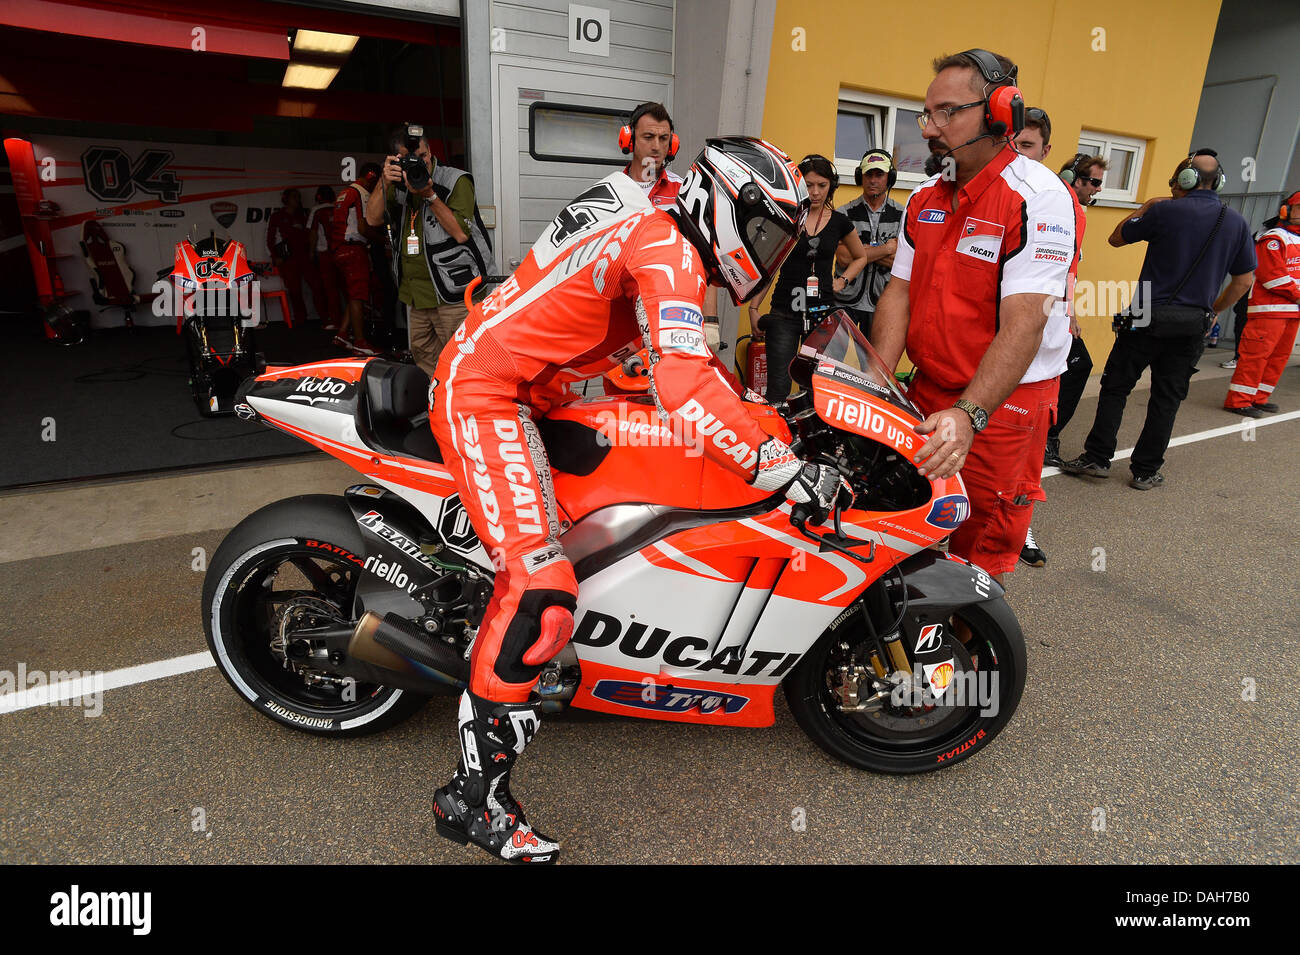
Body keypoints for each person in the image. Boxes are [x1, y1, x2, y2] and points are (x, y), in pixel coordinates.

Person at [427, 137, 846, 864]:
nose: (769, 252)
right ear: (725, 205)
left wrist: (759, 418)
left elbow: (680, 359)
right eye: (766, 234)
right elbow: (682, 386)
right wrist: (782, 469)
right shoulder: (668, 249)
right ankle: (474, 799)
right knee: (543, 589)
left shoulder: (661, 226)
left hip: (534, 388)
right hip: (488, 395)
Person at [872, 49, 1076, 583]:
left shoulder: (1039, 197)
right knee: (910, 521)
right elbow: (899, 292)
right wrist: (874, 380)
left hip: (1002, 407)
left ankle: (968, 655)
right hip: (931, 389)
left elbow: (1025, 323)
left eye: (947, 113)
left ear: (1000, 111)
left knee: (977, 545)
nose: (930, 128)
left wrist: (969, 414)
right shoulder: (926, 196)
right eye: (926, 114)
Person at [1061, 152, 1255, 489]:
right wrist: (1215, 310)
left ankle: (1097, 458)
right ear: (1219, 181)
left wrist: (1148, 205)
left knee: (1115, 387)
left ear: (1184, 181)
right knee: (1167, 397)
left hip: (1143, 311)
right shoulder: (1236, 222)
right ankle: (1146, 471)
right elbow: (1244, 281)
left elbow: (1117, 237)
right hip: (1194, 319)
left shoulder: (1164, 210)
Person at [365, 124, 491, 376]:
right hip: (416, 297)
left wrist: (429, 194)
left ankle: (462, 413)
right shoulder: (397, 184)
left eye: (422, 156)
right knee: (426, 367)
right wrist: (384, 181)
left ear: (430, 150)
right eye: (410, 159)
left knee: (464, 364)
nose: (419, 163)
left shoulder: (456, 180)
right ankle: (435, 411)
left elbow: (460, 233)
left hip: (455, 294)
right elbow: (371, 219)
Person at [749, 153, 868, 403]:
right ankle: (777, 440)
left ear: (831, 187)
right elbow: (769, 265)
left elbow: (860, 257)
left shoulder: (840, 222)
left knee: (817, 389)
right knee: (778, 389)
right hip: (784, 314)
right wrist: (753, 306)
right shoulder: (785, 218)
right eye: (809, 185)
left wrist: (842, 281)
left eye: (822, 186)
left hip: (822, 316)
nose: (815, 192)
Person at [1223, 191, 1300, 416]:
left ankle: (1259, 397)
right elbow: (1272, 276)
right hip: (1269, 311)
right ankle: (1238, 400)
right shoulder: (1273, 238)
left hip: (1292, 312)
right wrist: (1297, 295)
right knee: (1256, 356)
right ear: (1285, 211)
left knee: (1278, 358)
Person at [835, 149, 903, 339]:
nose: (873, 180)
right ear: (860, 177)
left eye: (879, 174)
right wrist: (887, 249)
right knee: (832, 361)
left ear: (890, 178)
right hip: (844, 302)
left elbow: (900, 262)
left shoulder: (903, 215)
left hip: (881, 302)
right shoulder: (844, 213)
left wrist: (861, 253)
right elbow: (843, 258)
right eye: (868, 174)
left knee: (873, 364)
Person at [331, 163, 382, 355]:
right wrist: (385, 241)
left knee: (354, 295)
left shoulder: (344, 192)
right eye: (376, 182)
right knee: (359, 296)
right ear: (370, 177)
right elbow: (363, 228)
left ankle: (343, 334)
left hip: (339, 249)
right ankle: (360, 342)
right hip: (353, 249)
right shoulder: (361, 193)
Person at [266, 188, 315, 327]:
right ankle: (301, 320)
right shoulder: (277, 216)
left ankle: (326, 318)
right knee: (294, 290)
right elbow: (270, 239)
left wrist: (311, 252)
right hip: (288, 259)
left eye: (298, 197)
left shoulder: (303, 215)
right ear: (286, 199)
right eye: (294, 197)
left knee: (317, 285)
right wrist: (275, 256)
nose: (297, 199)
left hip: (305, 256)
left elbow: (310, 235)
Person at [308, 185, 342, 330]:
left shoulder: (317, 210)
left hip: (325, 254)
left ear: (318, 197)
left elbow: (313, 233)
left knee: (330, 289)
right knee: (345, 288)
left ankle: (336, 321)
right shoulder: (339, 207)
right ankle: (352, 320)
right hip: (341, 251)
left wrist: (311, 251)